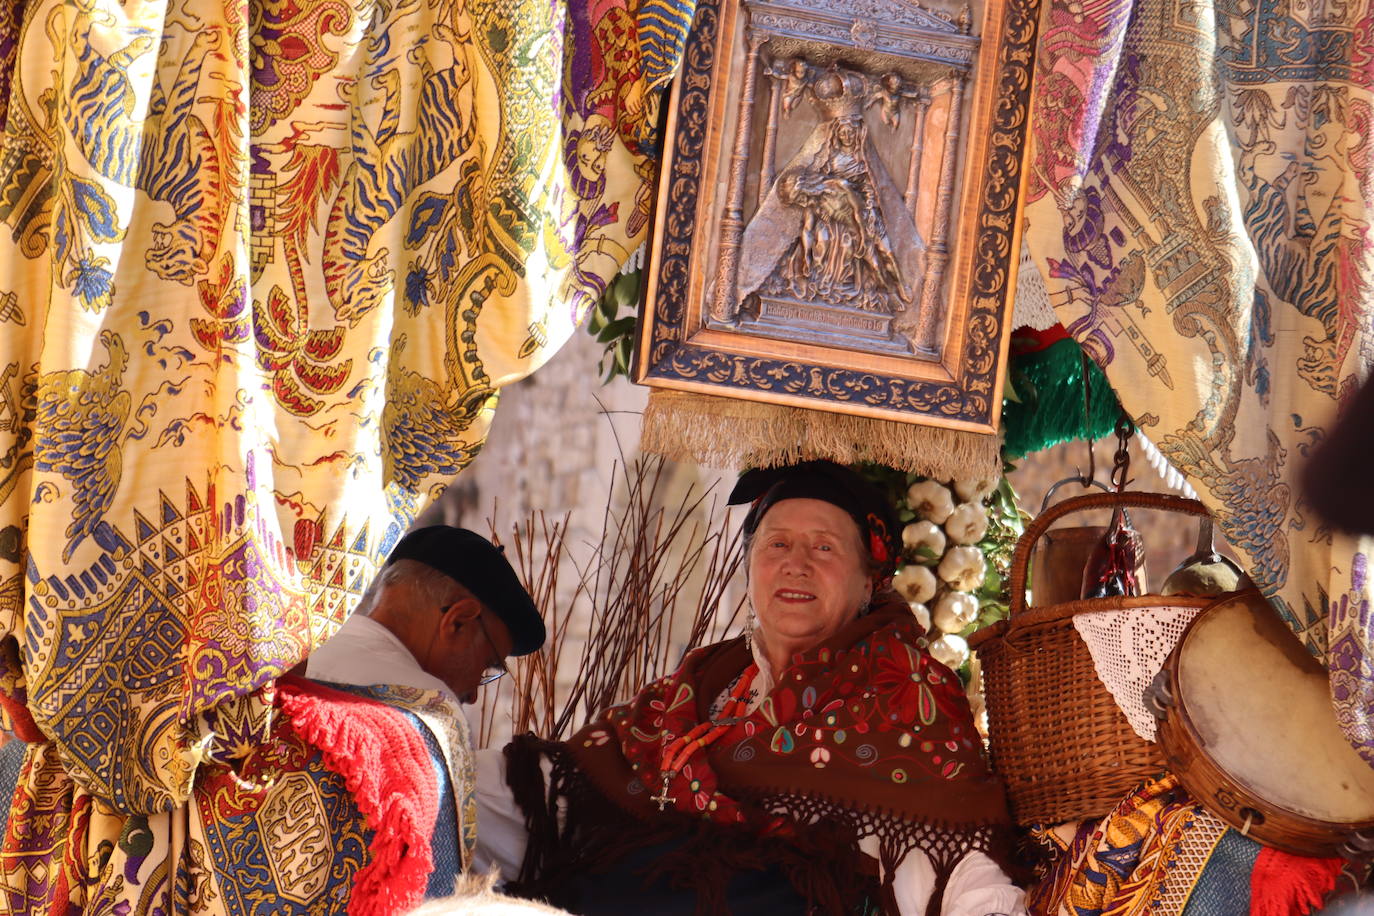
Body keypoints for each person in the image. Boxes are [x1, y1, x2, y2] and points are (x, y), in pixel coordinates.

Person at [479, 461, 1026, 916]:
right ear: (750, 568)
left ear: (869, 582)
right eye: (776, 544)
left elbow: (968, 862)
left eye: (825, 548)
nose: (795, 564)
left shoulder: (909, 693)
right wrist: (432, 756)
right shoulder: (702, 684)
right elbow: (562, 788)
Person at [307, 525, 546, 703]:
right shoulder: (424, 706)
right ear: (458, 621)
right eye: (486, 665)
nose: (473, 695)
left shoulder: (299, 654)